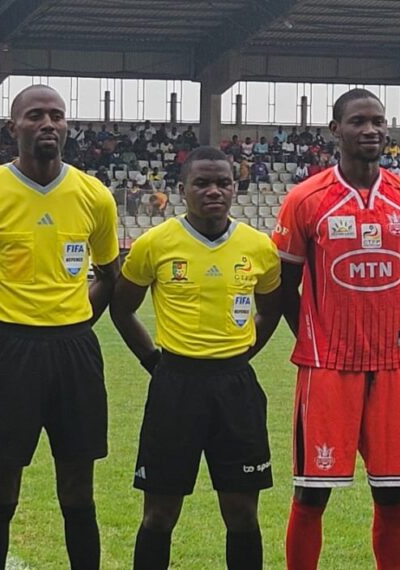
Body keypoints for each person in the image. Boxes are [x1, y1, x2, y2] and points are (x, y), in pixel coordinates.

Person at [0, 84, 120, 570]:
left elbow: (110, 276)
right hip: (12, 347)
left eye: (57, 115)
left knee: (77, 486)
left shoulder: (94, 196)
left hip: (75, 352)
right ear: (13, 127)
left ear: (67, 126)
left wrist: (79, 324)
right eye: (35, 115)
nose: (48, 123)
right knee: (1, 483)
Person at [273, 88, 400, 570]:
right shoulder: (306, 199)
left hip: (391, 367)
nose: (371, 130)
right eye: (359, 121)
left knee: (393, 496)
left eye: (378, 122)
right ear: (335, 130)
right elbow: (285, 287)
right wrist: (318, 334)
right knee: (312, 493)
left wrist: (384, 326)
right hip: (326, 369)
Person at [112, 146, 282, 569]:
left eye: (223, 183)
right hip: (175, 386)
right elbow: (121, 308)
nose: (213, 191)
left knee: (242, 514)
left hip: (236, 389)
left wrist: (243, 353)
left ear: (235, 187)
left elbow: (272, 308)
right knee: (159, 515)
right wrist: (153, 361)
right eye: (202, 183)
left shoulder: (258, 247)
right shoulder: (155, 244)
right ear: (182, 188)